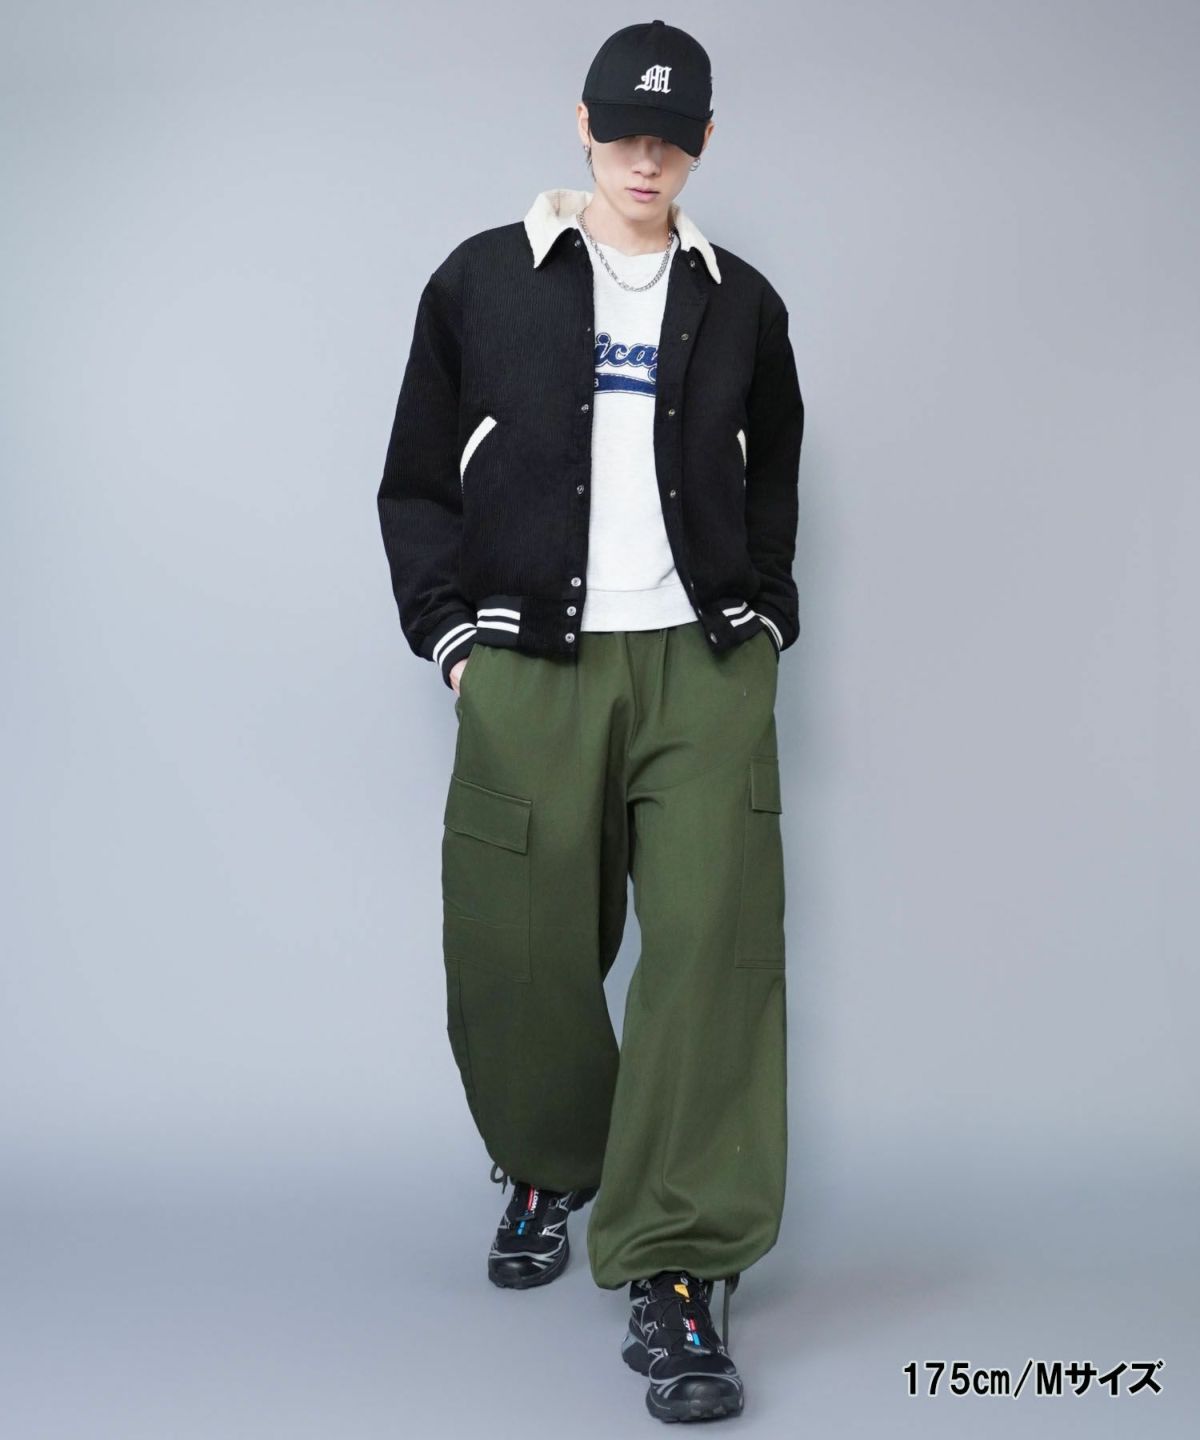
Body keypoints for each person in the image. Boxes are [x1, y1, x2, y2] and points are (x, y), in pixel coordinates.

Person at [376, 19, 804, 1425]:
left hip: (701, 664)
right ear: (582, 124)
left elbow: (776, 470)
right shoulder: (484, 278)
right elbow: (415, 480)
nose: (645, 157)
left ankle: (677, 1265)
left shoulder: (741, 303)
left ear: (703, 145)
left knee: (710, 949)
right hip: (531, 665)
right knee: (521, 948)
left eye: (671, 137)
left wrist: (767, 620)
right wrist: (453, 643)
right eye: (624, 130)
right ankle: (555, 1161)